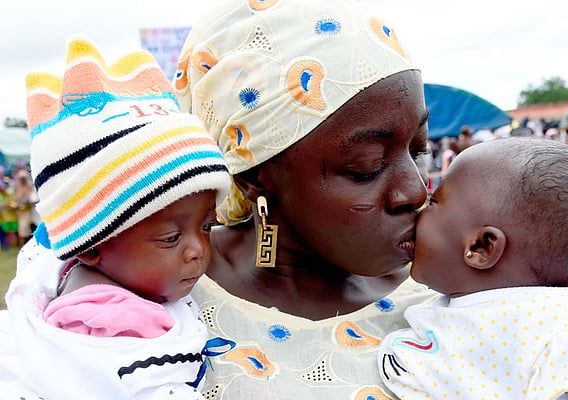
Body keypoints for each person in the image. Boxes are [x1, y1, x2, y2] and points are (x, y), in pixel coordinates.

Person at [172, 0, 437, 397]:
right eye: (368, 166)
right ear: (252, 175)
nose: (416, 190)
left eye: (419, 150)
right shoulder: (164, 309)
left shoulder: (445, 299)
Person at [0, 36, 231, 399]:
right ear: (91, 247)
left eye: (206, 226)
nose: (198, 250)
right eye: (171, 238)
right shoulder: (115, 328)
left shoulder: (72, 272)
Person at [378, 137, 568, 399]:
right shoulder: (451, 307)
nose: (420, 209)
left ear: (482, 247)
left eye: (434, 202)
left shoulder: (561, 321)